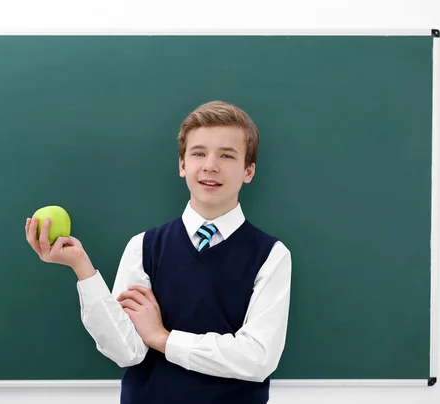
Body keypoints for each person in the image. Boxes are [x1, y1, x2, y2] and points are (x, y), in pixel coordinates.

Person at [25, 100, 292, 404]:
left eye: (227, 155)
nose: (210, 165)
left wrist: (162, 339)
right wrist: (82, 268)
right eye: (199, 153)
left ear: (248, 170)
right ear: (182, 165)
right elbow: (127, 352)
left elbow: (257, 358)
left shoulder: (271, 255)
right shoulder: (144, 246)